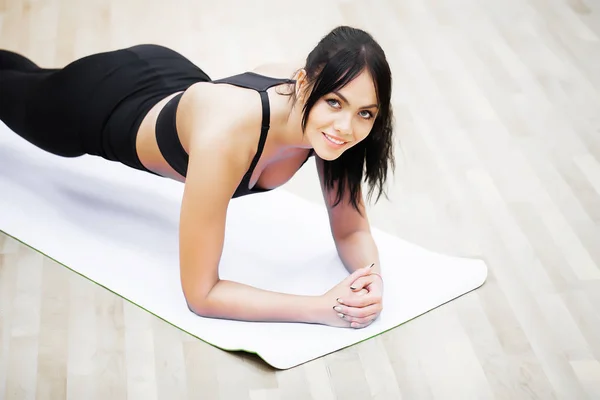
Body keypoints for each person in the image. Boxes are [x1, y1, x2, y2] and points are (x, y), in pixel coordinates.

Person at [0, 25, 394, 329]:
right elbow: (202, 294)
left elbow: (350, 232)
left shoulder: (332, 129)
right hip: (98, 103)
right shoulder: (226, 138)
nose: (346, 126)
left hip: (171, 78)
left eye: (365, 113)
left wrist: (369, 277)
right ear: (305, 84)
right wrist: (321, 308)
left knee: (23, 77)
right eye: (334, 102)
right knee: (14, 90)